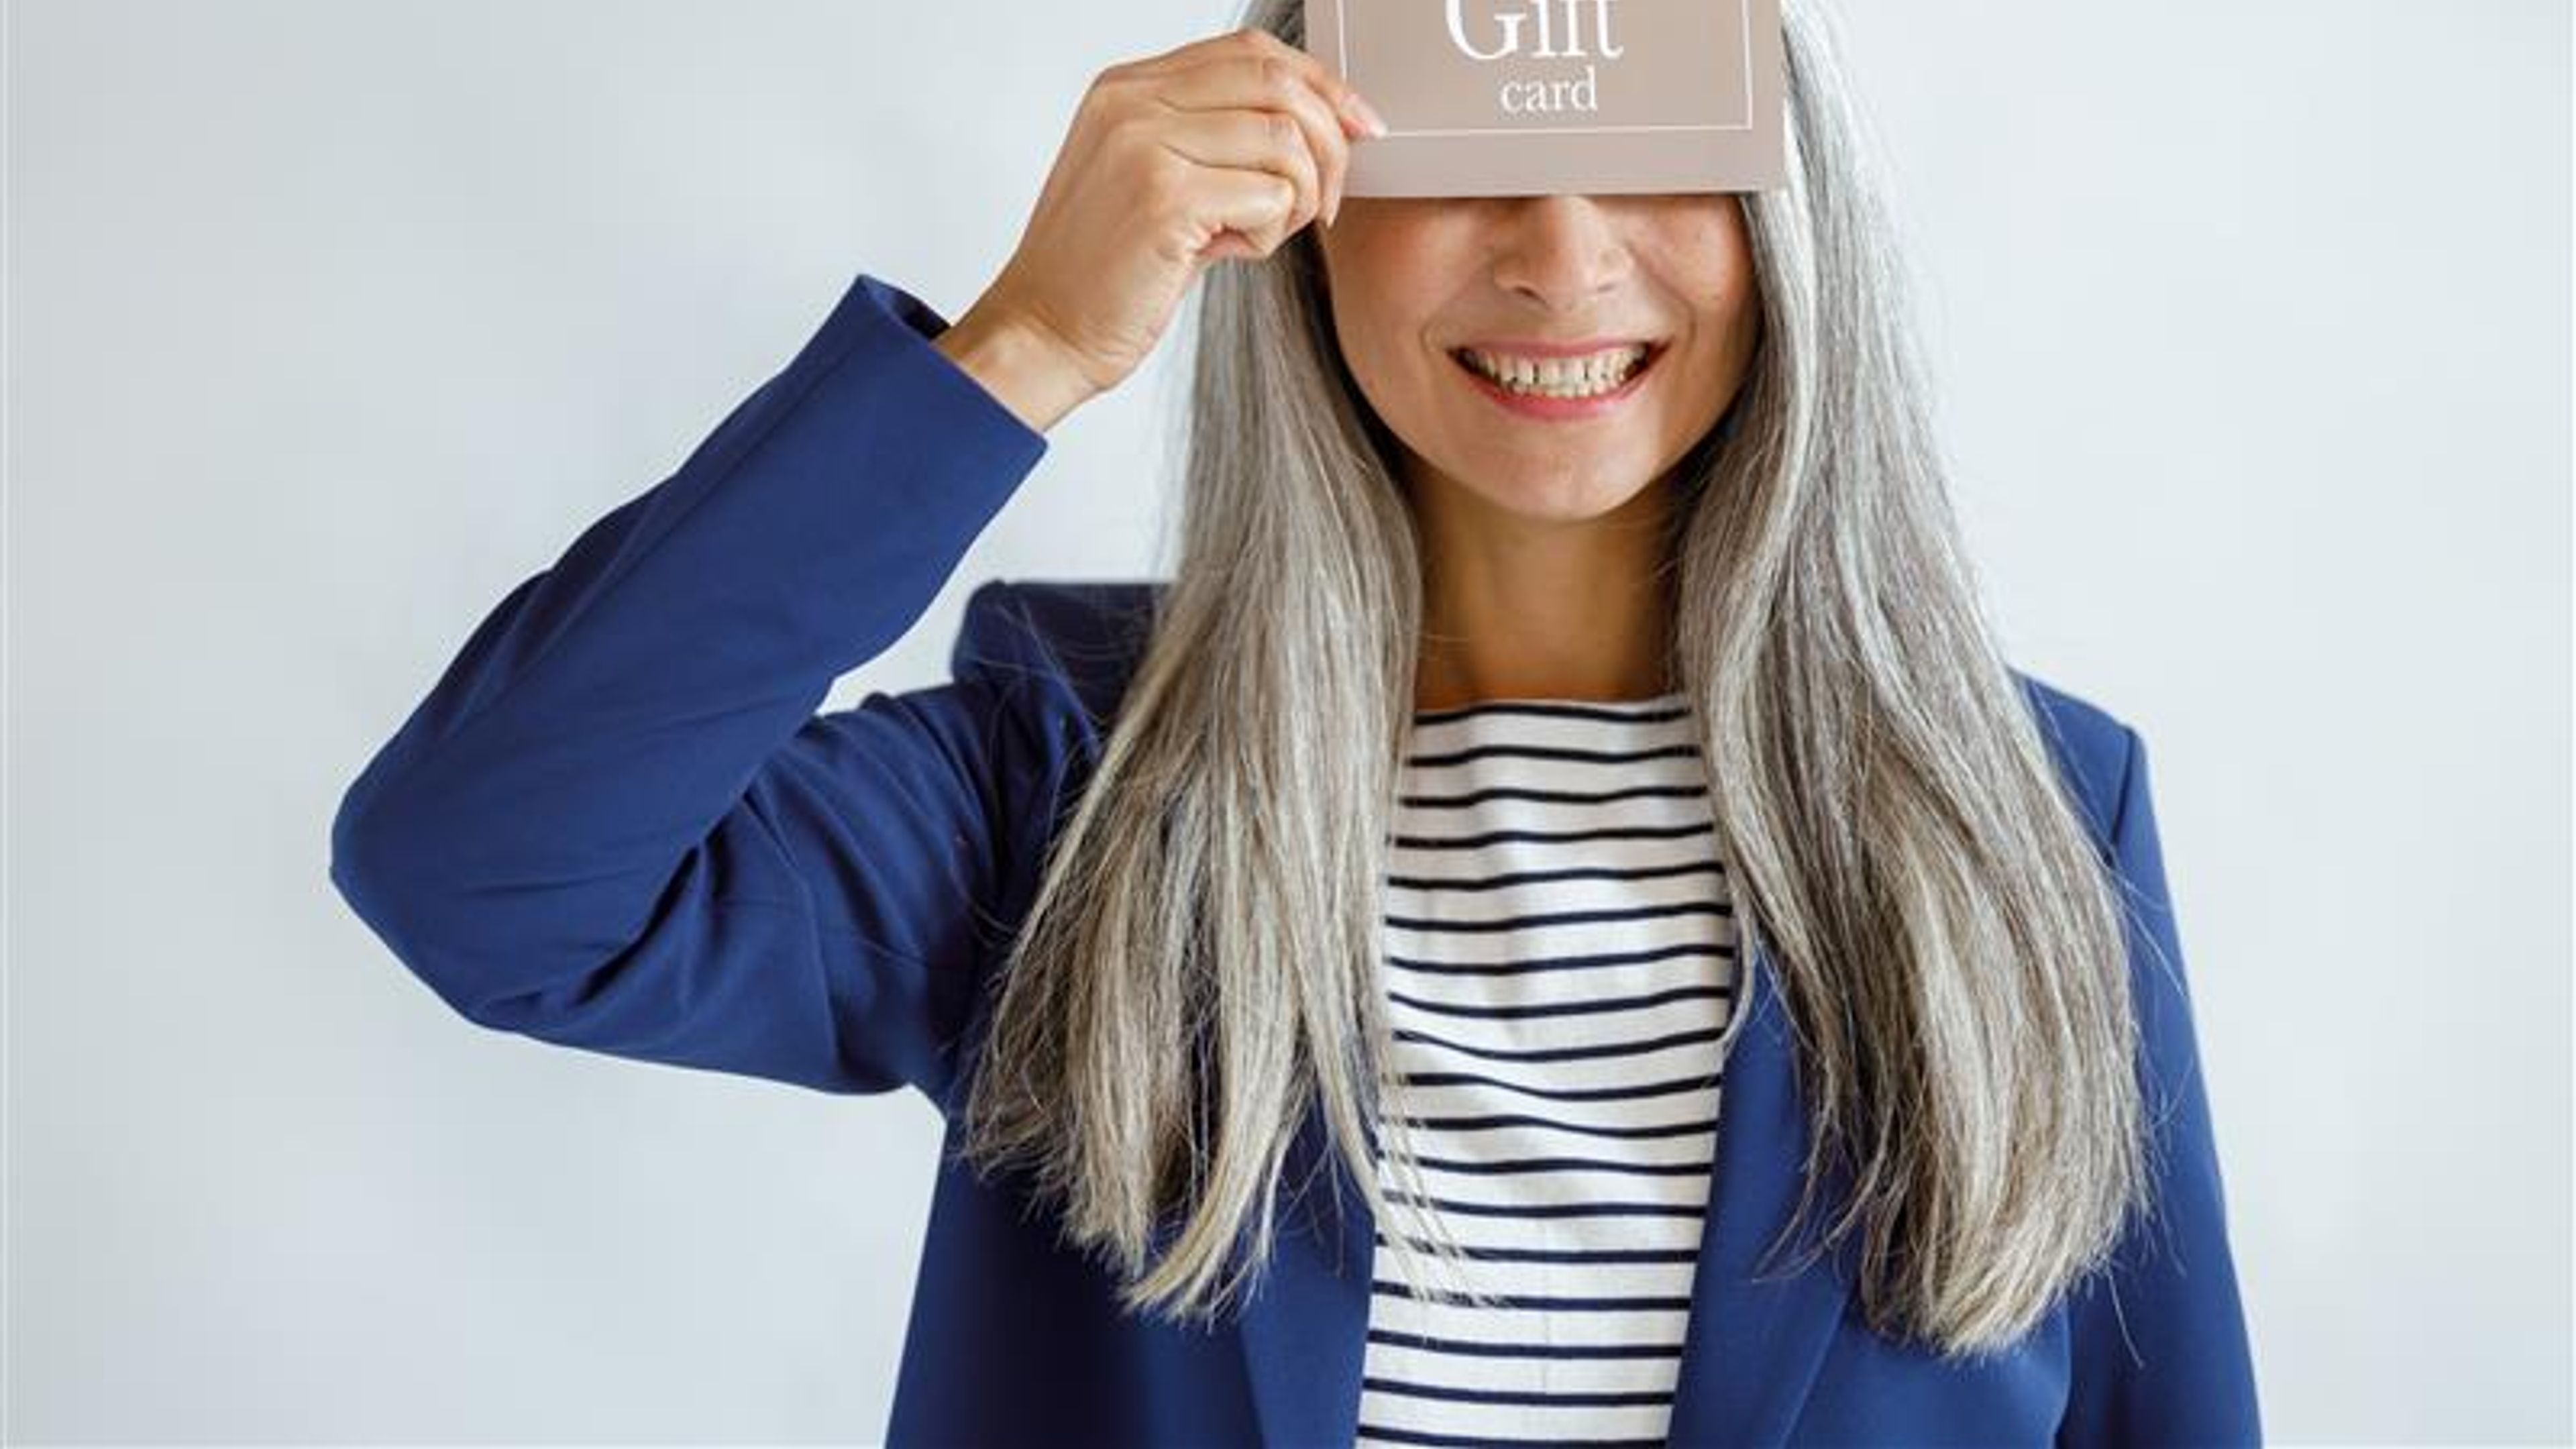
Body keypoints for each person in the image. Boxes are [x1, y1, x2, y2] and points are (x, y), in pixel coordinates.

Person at [328, 1, 2261, 1444]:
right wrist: (1018, 348)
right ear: (1304, 195)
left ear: (1790, 206)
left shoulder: (2035, 813)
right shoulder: (1063, 783)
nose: (1561, 254)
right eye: (1460, 146)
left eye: (1656, 146)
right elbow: (487, 877)